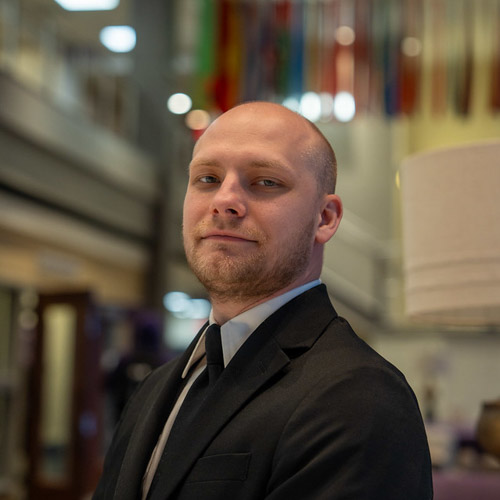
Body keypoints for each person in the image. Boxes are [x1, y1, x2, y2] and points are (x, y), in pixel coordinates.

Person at [93, 102, 433, 499]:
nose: (224, 200)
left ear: (324, 218)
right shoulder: (155, 387)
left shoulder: (360, 397)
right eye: (206, 178)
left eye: (266, 182)